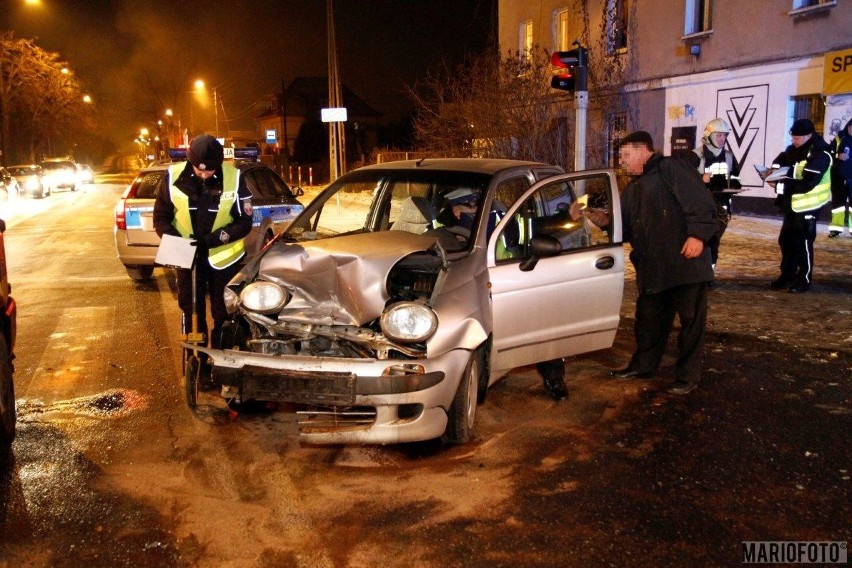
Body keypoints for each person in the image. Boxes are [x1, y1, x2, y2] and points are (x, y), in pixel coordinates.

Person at [579, 131, 718, 395]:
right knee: (648, 321)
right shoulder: (633, 188)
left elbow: (700, 201)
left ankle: (687, 376)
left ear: (644, 149)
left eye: (627, 155)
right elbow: (620, 226)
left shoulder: (670, 168)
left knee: (691, 323)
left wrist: (698, 236)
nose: (624, 162)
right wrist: (591, 215)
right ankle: (643, 366)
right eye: (621, 157)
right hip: (654, 267)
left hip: (685, 263)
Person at [153, 134, 254, 361]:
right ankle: (194, 360)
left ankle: (219, 360)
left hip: (222, 258)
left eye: (209, 171)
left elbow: (244, 222)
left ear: (219, 164)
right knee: (191, 310)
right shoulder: (172, 177)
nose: (204, 175)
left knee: (222, 312)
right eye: (199, 171)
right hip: (185, 253)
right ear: (190, 161)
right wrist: (177, 241)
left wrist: (212, 240)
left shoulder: (235, 178)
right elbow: (161, 217)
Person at [768, 119, 832, 293]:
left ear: (809, 136)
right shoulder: (794, 149)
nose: (793, 141)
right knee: (786, 240)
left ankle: (804, 279)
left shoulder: (820, 152)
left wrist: (784, 182)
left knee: (802, 242)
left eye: (797, 138)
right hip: (793, 204)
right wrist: (773, 173)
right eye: (792, 137)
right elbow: (782, 159)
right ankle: (787, 275)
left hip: (809, 204)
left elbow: (810, 180)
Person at [690, 118, 742, 268]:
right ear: (710, 135)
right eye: (719, 135)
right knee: (702, 240)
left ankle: (709, 271)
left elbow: (736, 178)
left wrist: (735, 185)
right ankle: (700, 271)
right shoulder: (696, 155)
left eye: (725, 135)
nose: (722, 139)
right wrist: (701, 178)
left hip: (721, 207)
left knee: (713, 240)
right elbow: (684, 180)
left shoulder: (729, 157)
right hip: (700, 207)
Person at [828, 117, 852, 238]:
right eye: (850, 126)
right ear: (847, 126)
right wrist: (838, 155)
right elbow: (828, 153)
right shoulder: (839, 138)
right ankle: (836, 229)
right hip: (838, 177)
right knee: (838, 204)